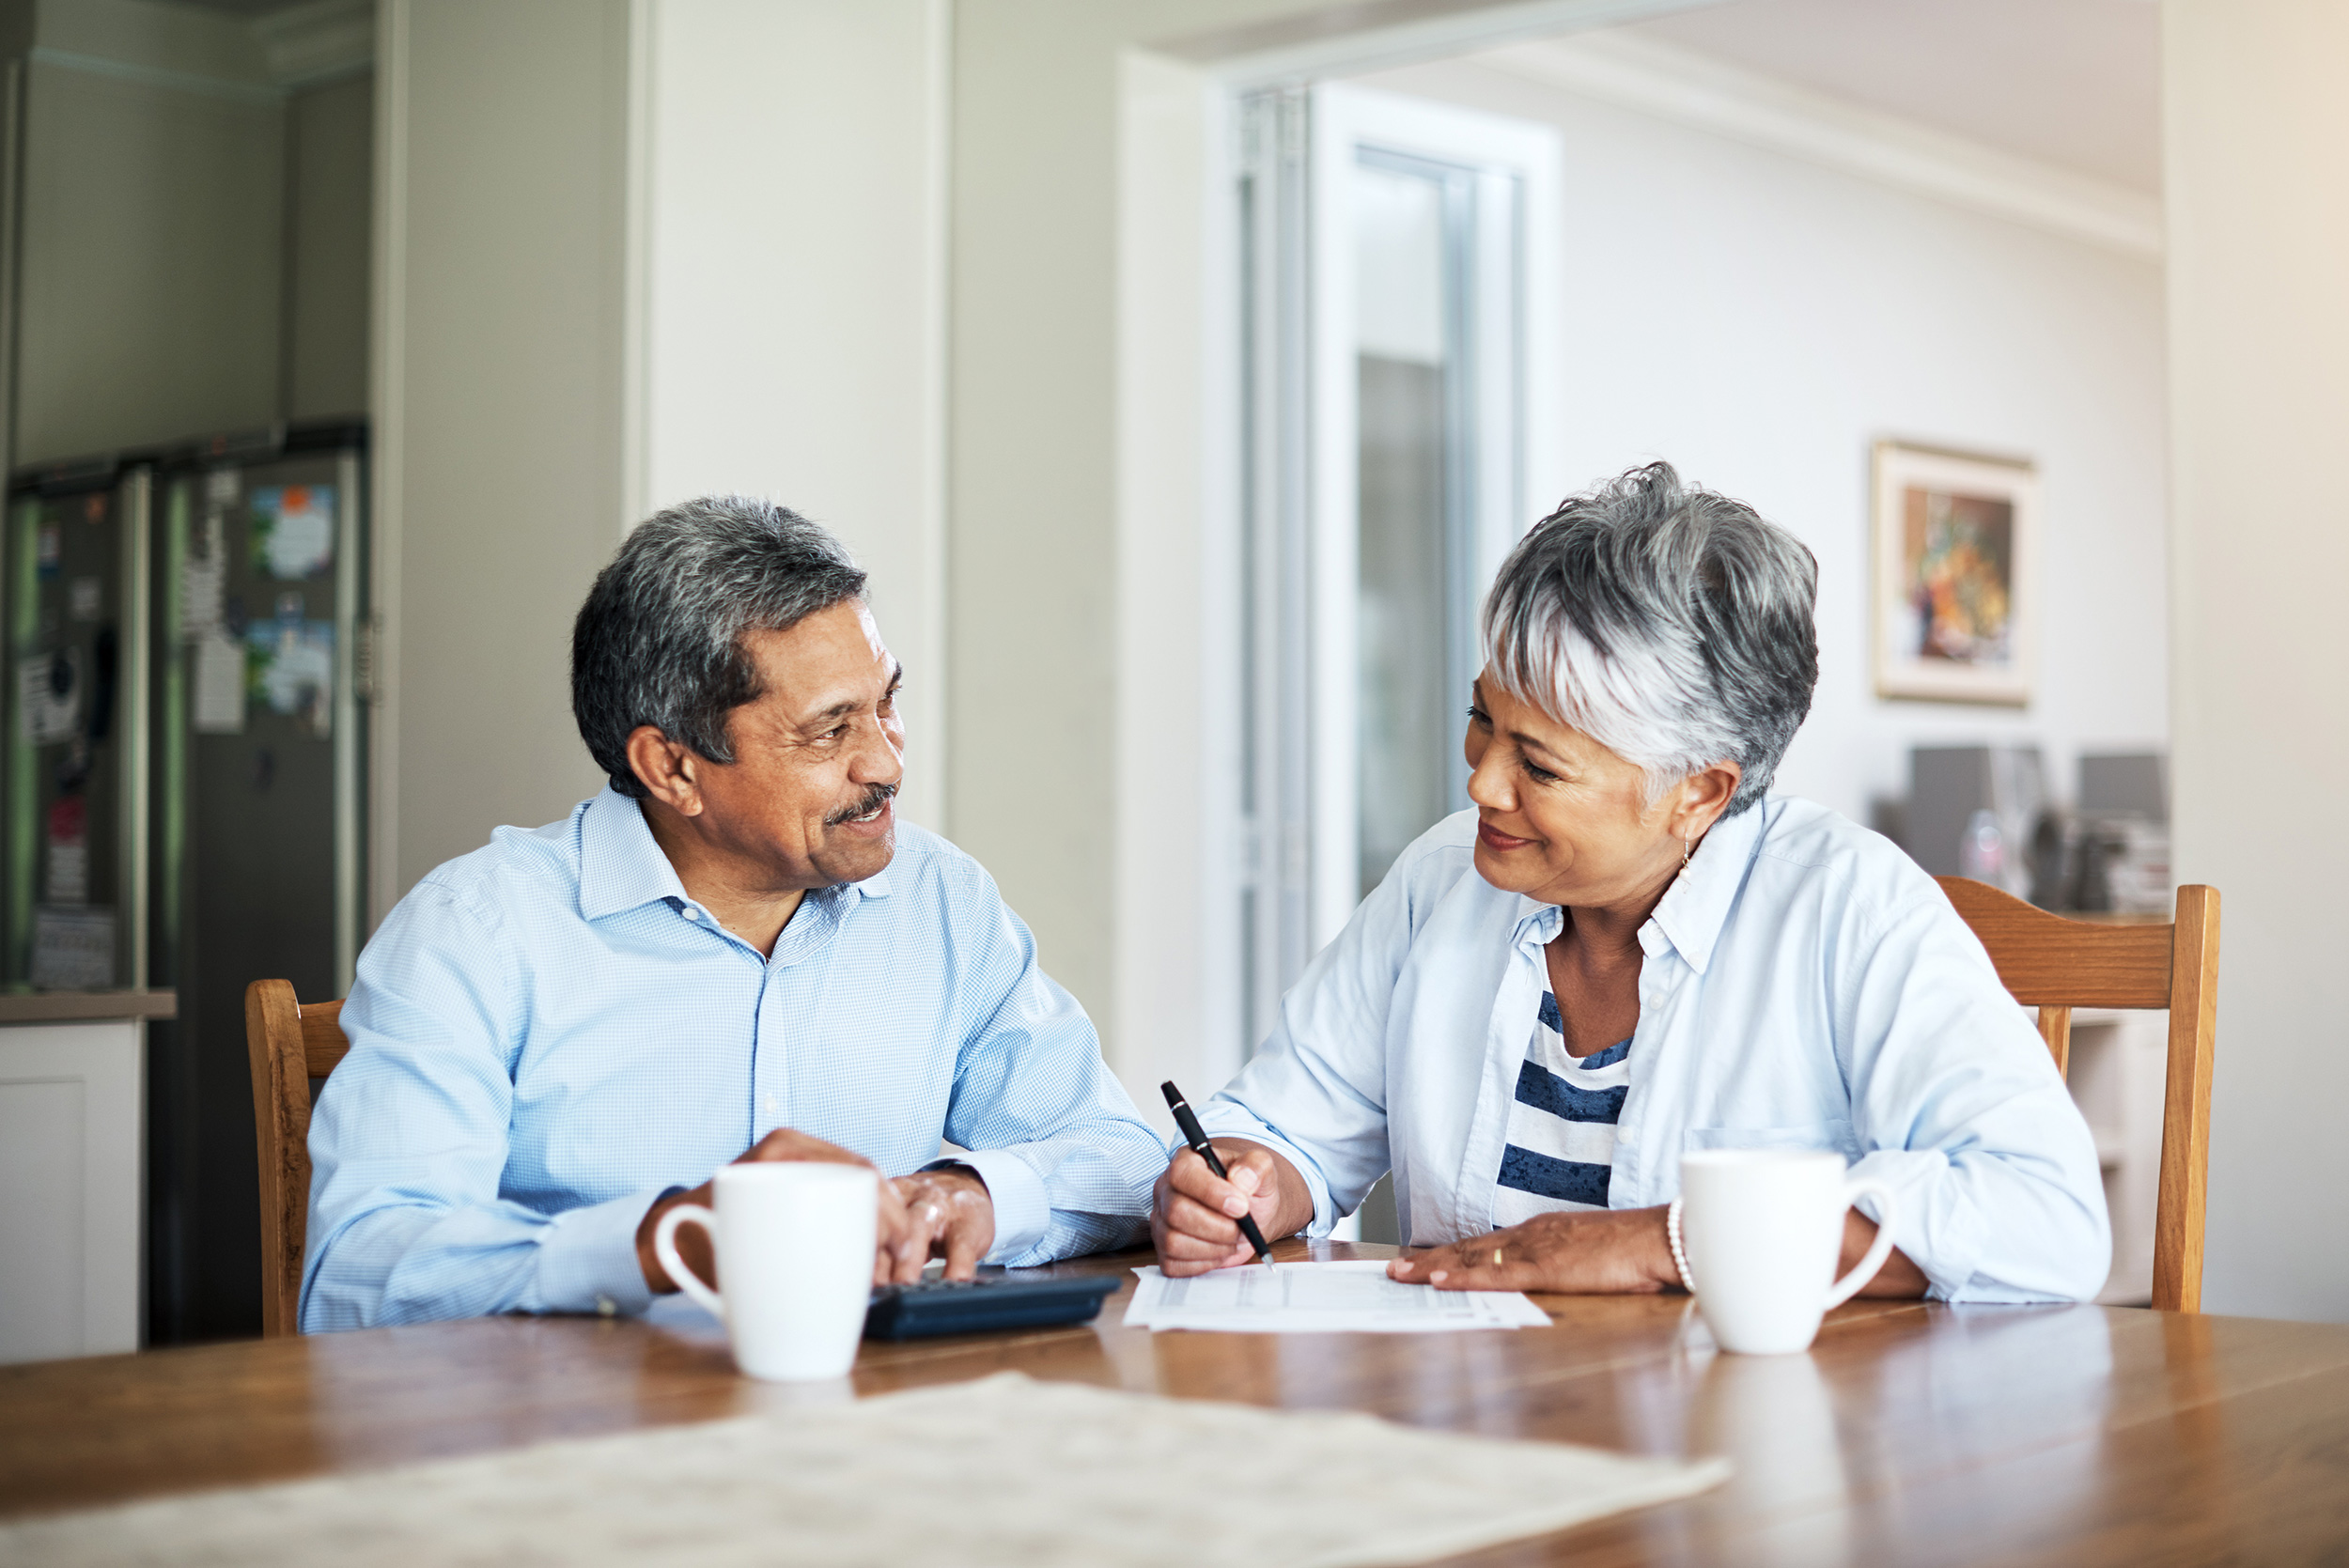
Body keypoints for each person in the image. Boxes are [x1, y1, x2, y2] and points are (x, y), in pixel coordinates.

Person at [1154, 462, 2109, 1303]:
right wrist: (1248, 1182)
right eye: (1481, 720)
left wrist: (1664, 1242)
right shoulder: (1443, 880)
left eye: (1540, 762)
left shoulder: (1849, 909)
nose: (1482, 780)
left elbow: (2044, 1217)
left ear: (1696, 792)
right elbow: (1287, 1124)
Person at [303, 498, 1163, 1329]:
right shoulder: (476, 932)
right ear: (673, 768)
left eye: (886, 704)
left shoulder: (941, 898)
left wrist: (974, 1193)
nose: (885, 761)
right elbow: (359, 1278)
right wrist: (669, 1240)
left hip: (881, 1426)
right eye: (830, 731)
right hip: (579, 1440)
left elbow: (1123, 1161)